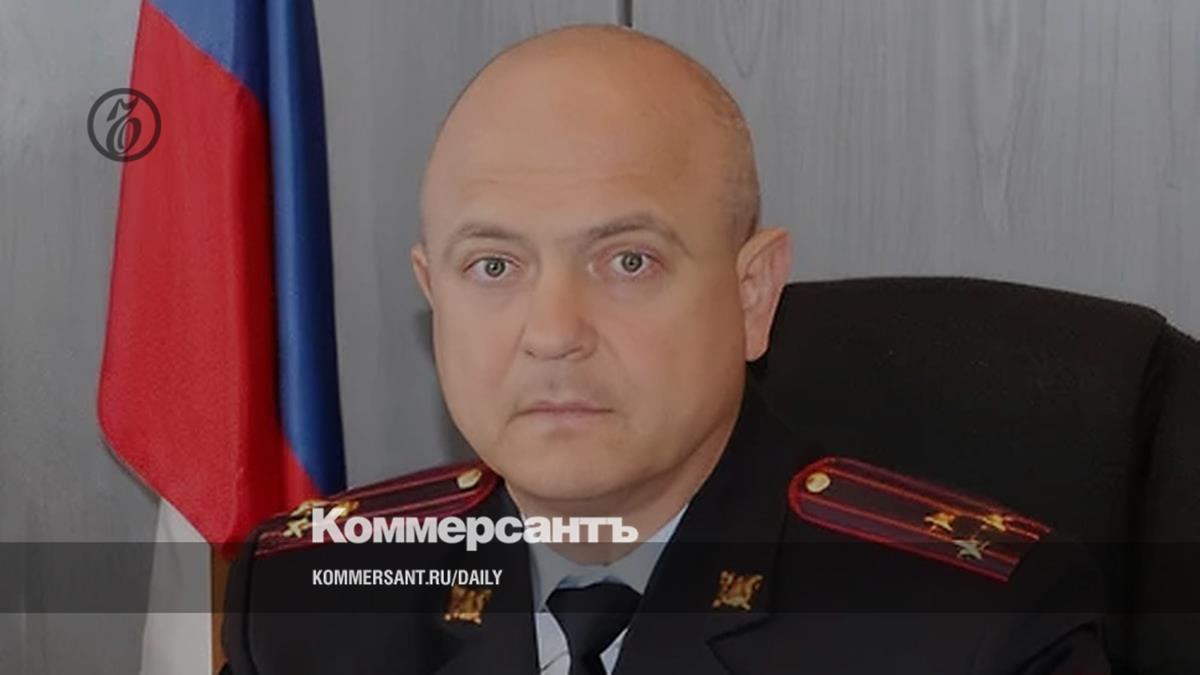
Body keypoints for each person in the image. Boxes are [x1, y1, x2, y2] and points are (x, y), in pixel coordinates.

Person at [219, 24, 1109, 674]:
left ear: (751, 293)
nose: (554, 332)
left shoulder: (969, 630)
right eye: (493, 265)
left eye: (628, 261)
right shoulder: (310, 602)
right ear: (432, 290)